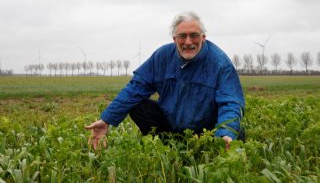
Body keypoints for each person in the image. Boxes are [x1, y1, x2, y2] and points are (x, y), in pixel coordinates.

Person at [85, 11, 245, 150]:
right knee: (138, 106)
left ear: (203, 37)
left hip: (205, 131)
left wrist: (226, 132)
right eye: (182, 36)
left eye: (194, 35)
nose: (188, 42)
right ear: (175, 39)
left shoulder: (220, 63)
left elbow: (231, 102)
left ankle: (214, 144)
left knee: (236, 132)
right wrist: (107, 119)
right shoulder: (162, 57)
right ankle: (167, 145)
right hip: (170, 126)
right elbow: (135, 88)